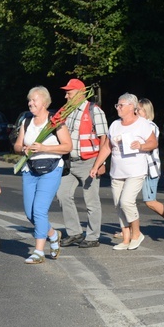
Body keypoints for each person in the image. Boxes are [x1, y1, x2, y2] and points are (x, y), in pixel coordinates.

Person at [13, 86, 72, 264]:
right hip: (30, 170)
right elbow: (16, 145)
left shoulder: (55, 122)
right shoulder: (26, 122)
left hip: (52, 169)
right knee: (30, 213)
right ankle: (54, 235)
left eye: (34, 100)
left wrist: (44, 148)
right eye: (29, 100)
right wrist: (23, 149)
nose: (30, 103)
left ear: (45, 103)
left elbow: (67, 146)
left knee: (39, 210)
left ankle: (38, 251)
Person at [90, 93, 157, 250]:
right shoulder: (114, 125)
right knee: (118, 205)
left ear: (132, 107)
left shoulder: (142, 124)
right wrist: (96, 165)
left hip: (136, 170)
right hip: (117, 171)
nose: (118, 108)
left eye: (121, 105)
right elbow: (107, 146)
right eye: (117, 105)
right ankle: (126, 239)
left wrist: (141, 146)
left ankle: (137, 233)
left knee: (126, 201)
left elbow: (153, 143)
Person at [56, 78, 108, 248]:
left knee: (91, 201)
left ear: (79, 93)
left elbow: (104, 138)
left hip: (89, 161)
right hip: (69, 162)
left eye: (69, 92)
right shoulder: (66, 111)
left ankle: (93, 237)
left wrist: (100, 163)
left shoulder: (94, 111)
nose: (66, 96)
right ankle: (75, 233)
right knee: (62, 194)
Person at [136, 99, 164, 237]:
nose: (136, 112)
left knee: (150, 201)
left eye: (139, 110)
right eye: (136, 109)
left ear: (147, 112)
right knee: (127, 200)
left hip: (149, 168)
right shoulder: (135, 125)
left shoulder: (150, 126)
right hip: (135, 168)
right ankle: (130, 229)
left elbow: (148, 144)